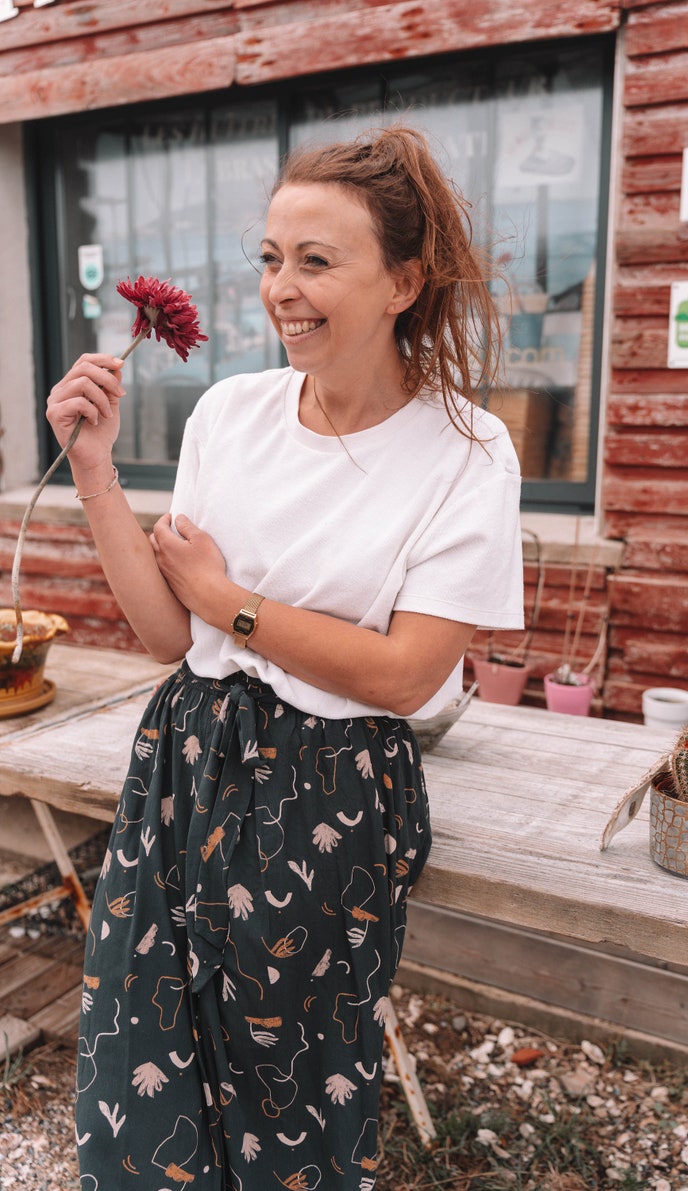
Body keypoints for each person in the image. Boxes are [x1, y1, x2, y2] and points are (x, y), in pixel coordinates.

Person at [47, 125, 525, 1190]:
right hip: (182, 762)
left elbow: (405, 675)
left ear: (403, 280)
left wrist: (232, 600)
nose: (282, 290)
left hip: (329, 794)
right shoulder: (230, 413)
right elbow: (174, 639)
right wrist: (94, 470)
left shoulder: (463, 451)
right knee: (141, 1063)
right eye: (270, 259)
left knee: (288, 1092)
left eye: (316, 261)